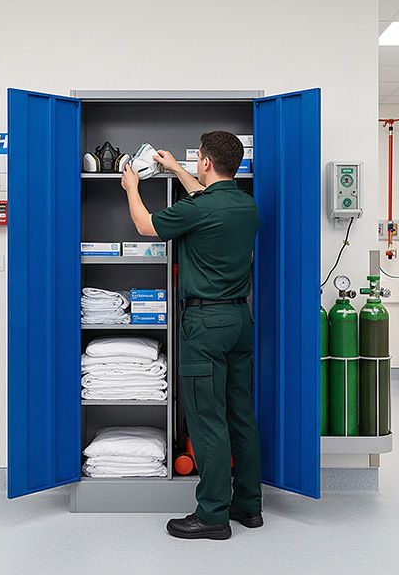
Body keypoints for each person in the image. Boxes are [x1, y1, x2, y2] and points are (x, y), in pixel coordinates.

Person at [121, 131, 262, 541]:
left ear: (205, 162)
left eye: (197, 159)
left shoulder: (197, 208)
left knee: (207, 420)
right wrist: (176, 168)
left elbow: (146, 225)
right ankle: (248, 506)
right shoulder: (244, 204)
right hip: (240, 321)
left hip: (205, 326)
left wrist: (132, 187)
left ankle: (213, 515)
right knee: (241, 415)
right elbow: (206, 195)